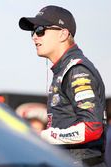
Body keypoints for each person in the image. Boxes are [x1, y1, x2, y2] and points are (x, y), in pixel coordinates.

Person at [19, 5, 107, 167]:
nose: (34, 37)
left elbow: (92, 128)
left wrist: (43, 136)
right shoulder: (63, 70)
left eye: (40, 30)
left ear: (63, 34)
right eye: (33, 32)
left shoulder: (76, 70)